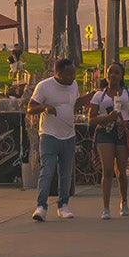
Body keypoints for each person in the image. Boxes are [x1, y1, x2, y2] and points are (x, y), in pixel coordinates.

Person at [29, 56, 81, 221]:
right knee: (48, 170)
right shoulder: (44, 86)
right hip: (49, 134)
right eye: (68, 75)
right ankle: (41, 206)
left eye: (74, 75)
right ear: (58, 74)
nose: (72, 79)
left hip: (69, 135)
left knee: (66, 173)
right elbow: (30, 108)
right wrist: (44, 107)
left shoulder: (73, 85)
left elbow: (75, 103)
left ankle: (63, 204)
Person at [90, 60, 129, 217]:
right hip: (105, 132)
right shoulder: (99, 96)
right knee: (107, 169)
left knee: (121, 171)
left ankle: (124, 201)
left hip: (122, 132)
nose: (113, 75)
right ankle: (106, 207)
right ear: (106, 75)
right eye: (110, 72)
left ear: (122, 75)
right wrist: (106, 118)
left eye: (117, 72)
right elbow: (92, 118)